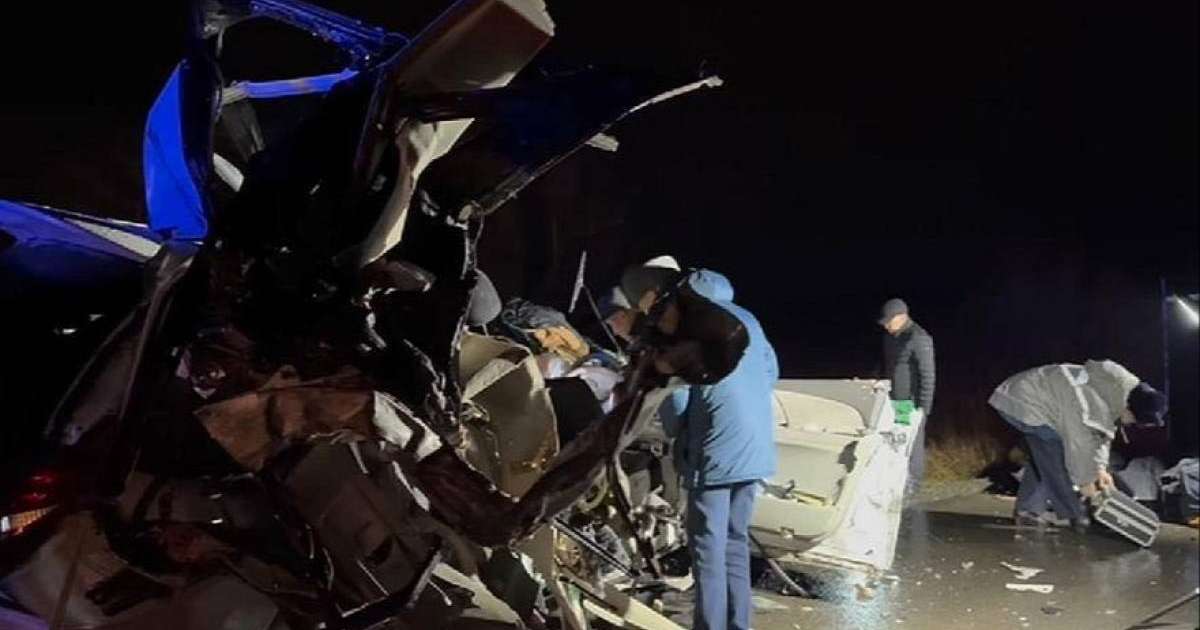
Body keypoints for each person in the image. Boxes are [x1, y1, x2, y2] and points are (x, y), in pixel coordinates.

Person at [622, 264, 777, 630]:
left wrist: (678, 434)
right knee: (735, 543)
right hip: (755, 444)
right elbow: (771, 372)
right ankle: (740, 624)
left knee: (707, 550)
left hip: (715, 449)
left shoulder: (688, 325)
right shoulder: (746, 318)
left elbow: (676, 399)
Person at [988, 360, 1167, 531]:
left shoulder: (1117, 393)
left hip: (1043, 405)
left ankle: (1028, 510)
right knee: (1055, 453)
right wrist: (1086, 483)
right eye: (1135, 420)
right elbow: (1078, 445)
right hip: (1023, 401)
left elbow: (1100, 435)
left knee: (1044, 455)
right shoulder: (1090, 402)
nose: (1131, 424)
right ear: (1128, 408)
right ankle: (1072, 513)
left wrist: (1101, 469)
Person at [878, 298, 936, 496]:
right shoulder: (891, 338)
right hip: (892, 399)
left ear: (901, 317)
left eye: (889, 321)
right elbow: (889, 367)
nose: (886, 325)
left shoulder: (919, 338)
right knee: (895, 441)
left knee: (913, 444)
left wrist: (923, 408)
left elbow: (928, 375)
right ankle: (895, 480)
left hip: (910, 403)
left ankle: (913, 485)